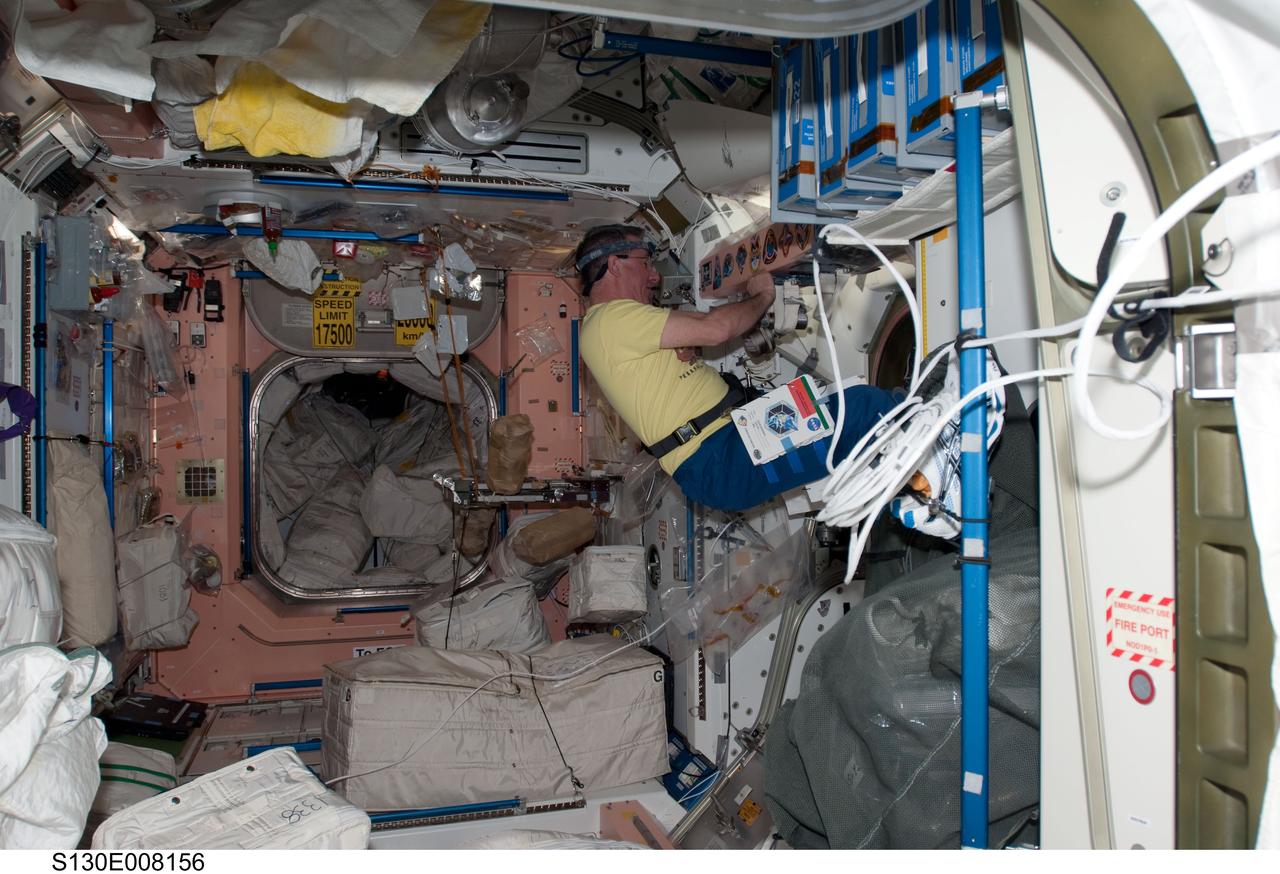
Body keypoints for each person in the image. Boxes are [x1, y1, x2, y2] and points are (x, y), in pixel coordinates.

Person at [574, 224, 909, 514]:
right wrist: (762, 295)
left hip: (732, 439)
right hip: (720, 458)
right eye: (644, 263)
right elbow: (717, 329)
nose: (654, 276)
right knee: (865, 409)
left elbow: (699, 327)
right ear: (615, 265)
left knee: (854, 434)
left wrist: (688, 340)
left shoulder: (613, 323)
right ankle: (943, 421)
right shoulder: (609, 321)